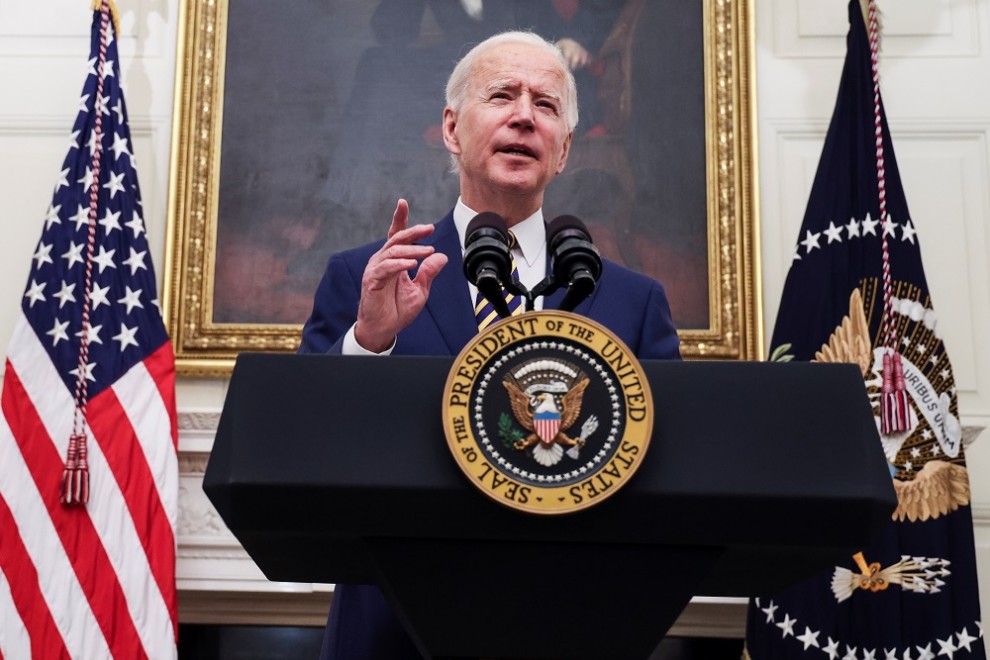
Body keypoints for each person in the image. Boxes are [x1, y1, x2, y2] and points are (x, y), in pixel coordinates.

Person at [299, 30, 680, 660]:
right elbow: (301, 446)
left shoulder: (631, 304)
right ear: (451, 129)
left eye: (547, 105)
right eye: (502, 95)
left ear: (563, 151)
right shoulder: (367, 278)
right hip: (393, 635)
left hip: (571, 629)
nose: (524, 116)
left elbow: (667, 476)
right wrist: (369, 342)